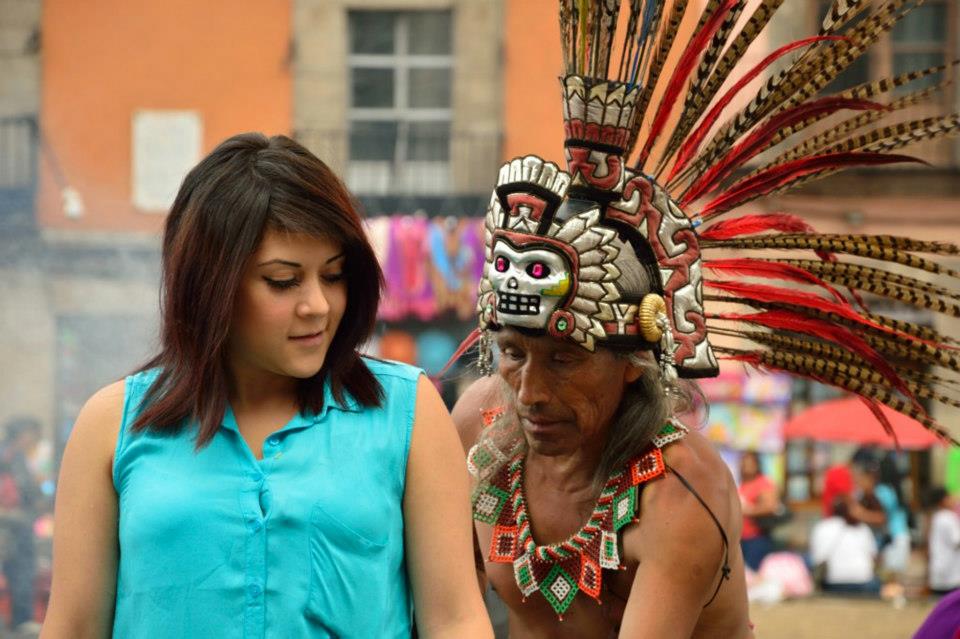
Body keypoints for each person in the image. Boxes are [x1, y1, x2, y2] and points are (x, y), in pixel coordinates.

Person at [447, 0, 959, 635]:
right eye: (513, 353)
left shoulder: (679, 491)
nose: (527, 391)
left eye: (564, 358)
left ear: (635, 363)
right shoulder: (478, 424)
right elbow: (446, 608)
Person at [40, 133, 492, 638]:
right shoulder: (112, 425)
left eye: (335, 275)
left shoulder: (406, 412)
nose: (318, 305)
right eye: (283, 281)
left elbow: (454, 620)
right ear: (211, 285)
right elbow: (73, 628)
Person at [0, 417, 44, 631]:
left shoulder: (18, 457)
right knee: (19, 574)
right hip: (9, 527)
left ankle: (21, 624)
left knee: (22, 576)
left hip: (19, 526)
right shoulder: (7, 455)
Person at [810, 497, 881, 595]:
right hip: (864, 582)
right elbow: (874, 557)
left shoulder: (822, 527)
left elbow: (817, 559)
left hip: (833, 583)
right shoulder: (863, 528)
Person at [738, 451, 781, 571]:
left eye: (750, 464)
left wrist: (746, 511)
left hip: (757, 538)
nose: (746, 467)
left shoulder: (763, 483)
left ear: (757, 465)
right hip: (742, 538)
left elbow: (770, 507)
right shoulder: (743, 483)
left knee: (753, 574)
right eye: (744, 464)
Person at [924, 486, 960, 595]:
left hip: (939, 572)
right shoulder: (948, 518)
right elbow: (957, 541)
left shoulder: (936, 517)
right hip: (950, 575)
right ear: (944, 500)